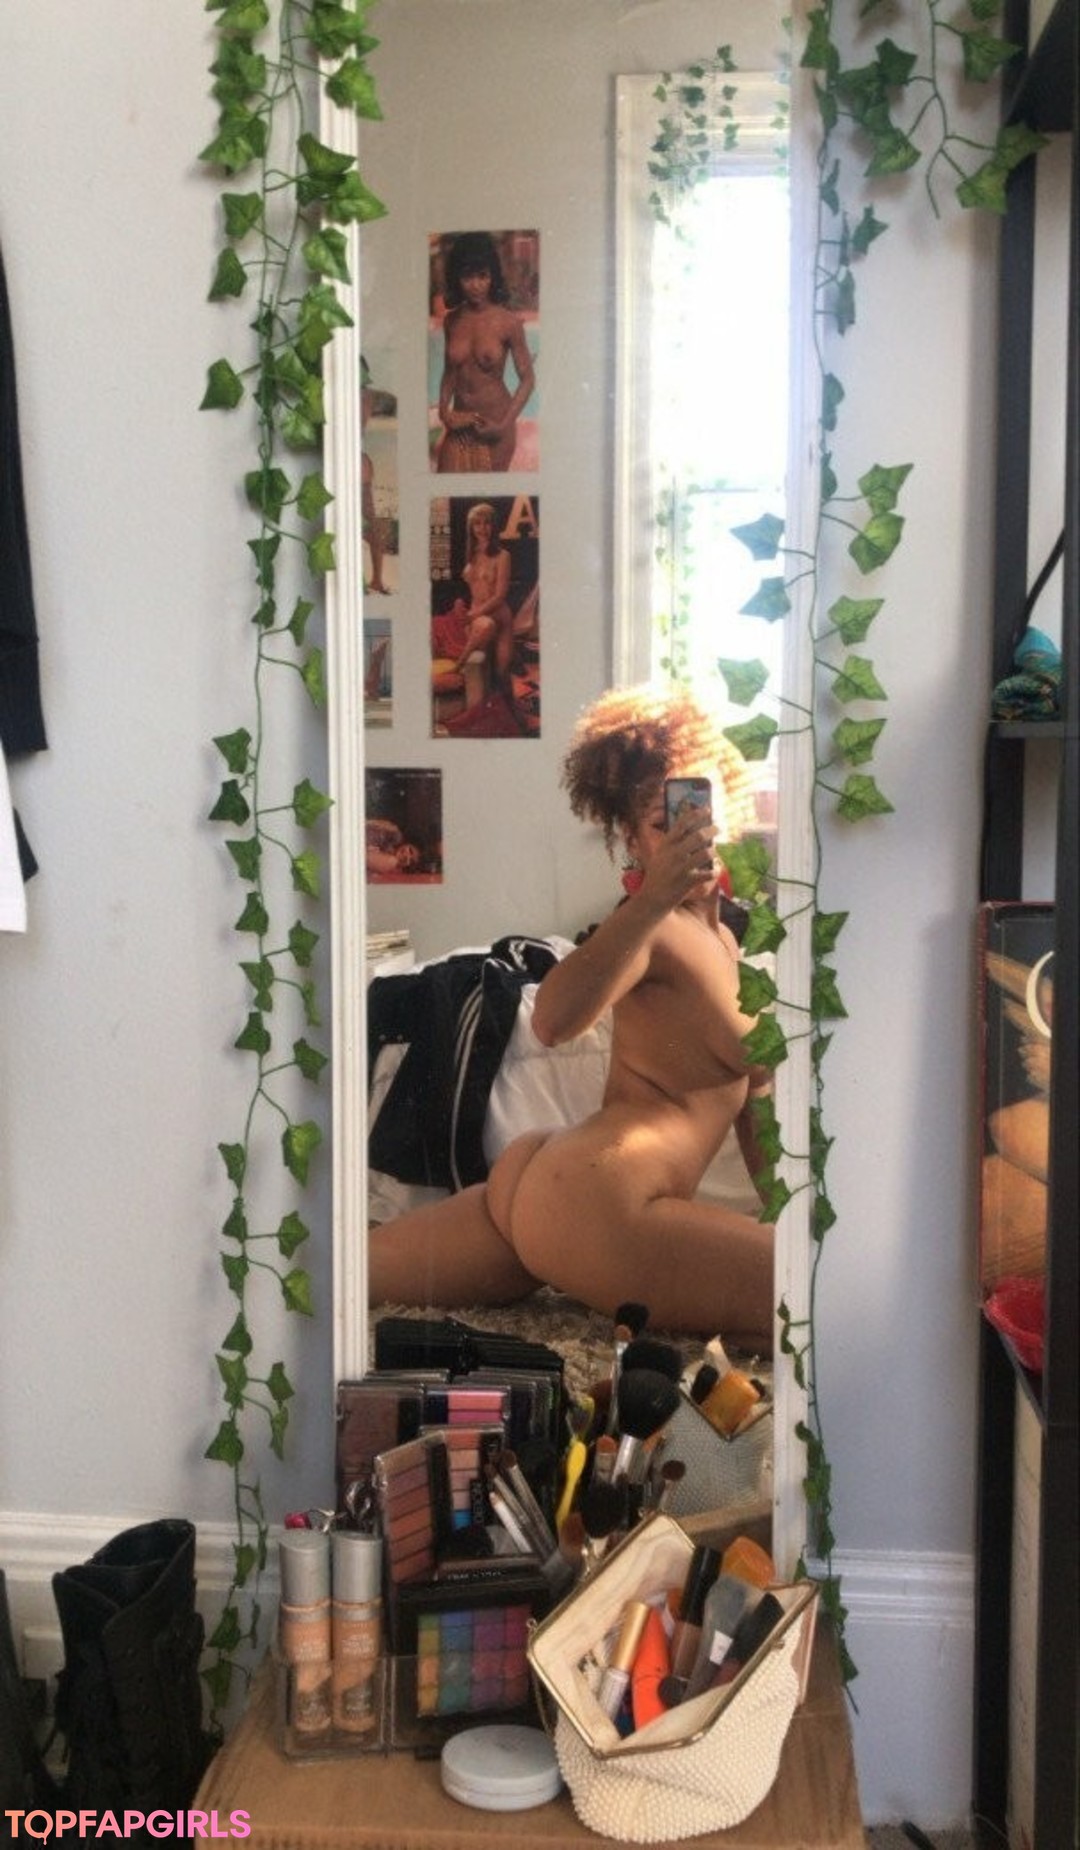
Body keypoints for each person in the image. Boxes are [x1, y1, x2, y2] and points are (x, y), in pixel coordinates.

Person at [368, 686, 775, 1346]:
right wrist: (653, 899)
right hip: (602, 1202)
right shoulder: (652, 927)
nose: (687, 836)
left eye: (698, 813)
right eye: (662, 824)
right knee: (808, 1302)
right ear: (630, 840)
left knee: (345, 1276)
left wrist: (791, 1220)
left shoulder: (727, 943)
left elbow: (758, 1111)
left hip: (550, 1180)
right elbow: (553, 1020)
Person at [434, 232, 535, 474]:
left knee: (489, 495)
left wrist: (504, 424)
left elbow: (528, 380)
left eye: (483, 276)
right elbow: (450, 372)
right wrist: (444, 410)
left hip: (496, 424)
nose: (476, 285)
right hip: (460, 424)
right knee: (444, 489)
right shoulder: (452, 321)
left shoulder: (508, 323)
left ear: (493, 277)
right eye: (467, 277)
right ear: (457, 278)